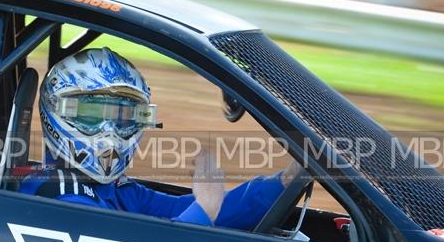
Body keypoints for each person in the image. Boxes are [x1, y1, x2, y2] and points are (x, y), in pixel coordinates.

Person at [20, 47, 301, 228]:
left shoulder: (111, 190)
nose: (110, 130)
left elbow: (176, 210)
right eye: (92, 114)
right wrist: (205, 208)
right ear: (57, 110)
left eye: (123, 118)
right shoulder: (58, 196)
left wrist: (284, 182)